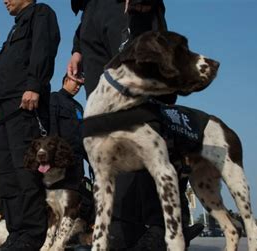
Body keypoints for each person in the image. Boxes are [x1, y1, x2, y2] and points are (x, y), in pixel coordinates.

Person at [68, 0, 201, 249]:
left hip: (124, 6)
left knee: (139, 112)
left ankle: (159, 227)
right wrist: (78, 47)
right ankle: (121, 227)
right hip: (91, 12)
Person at [0, 0, 60, 250]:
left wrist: (34, 85)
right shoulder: (14, 27)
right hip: (6, 108)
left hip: (26, 103)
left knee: (25, 171)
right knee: (7, 174)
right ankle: (16, 231)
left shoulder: (41, 13)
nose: (4, 1)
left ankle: (32, 233)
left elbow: (43, 49)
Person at [49, 74, 87, 190]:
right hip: (61, 160)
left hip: (78, 162)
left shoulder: (78, 107)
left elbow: (83, 134)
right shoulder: (54, 98)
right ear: (66, 80)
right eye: (76, 83)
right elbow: (52, 128)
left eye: (80, 85)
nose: (78, 88)